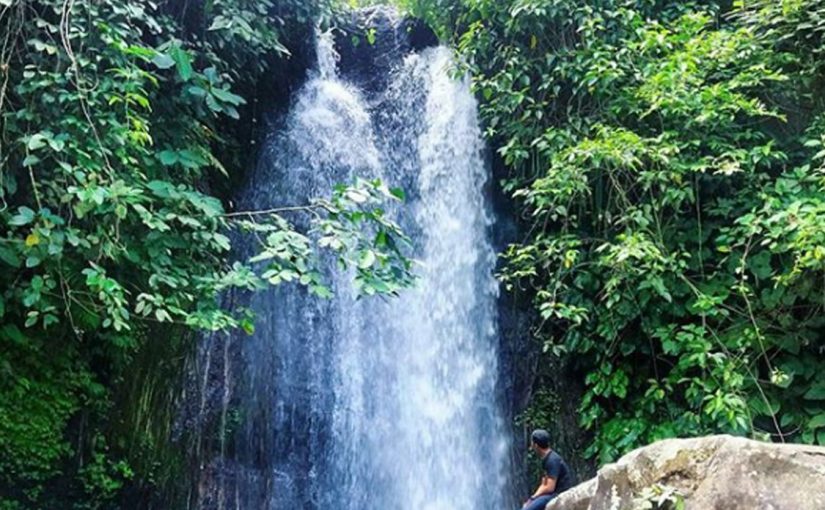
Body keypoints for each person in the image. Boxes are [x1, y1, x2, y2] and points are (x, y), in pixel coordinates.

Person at [521, 429, 576, 510]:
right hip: (552, 494)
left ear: (536, 445)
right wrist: (532, 498)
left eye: (532, 443)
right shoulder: (547, 458)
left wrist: (533, 499)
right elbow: (544, 484)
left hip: (559, 494)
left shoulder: (552, 460)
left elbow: (550, 487)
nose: (531, 445)